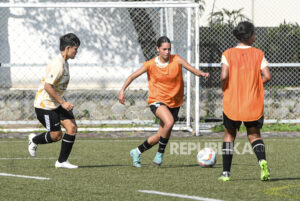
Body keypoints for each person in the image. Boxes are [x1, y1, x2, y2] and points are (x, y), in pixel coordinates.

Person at [118, 36, 210, 167]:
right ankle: (160, 153)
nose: (167, 52)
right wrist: (122, 90)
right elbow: (132, 76)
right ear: (158, 49)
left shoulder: (176, 59)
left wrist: (201, 73)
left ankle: (137, 151)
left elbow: (191, 69)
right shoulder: (150, 64)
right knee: (170, 122)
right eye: (164, 49)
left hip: (174, 101)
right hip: (157, 100)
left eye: (169, 49)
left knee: (161, 134)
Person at [219, 21, 271, 181]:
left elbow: (224, 76)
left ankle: (226, 174)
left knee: (229, 136)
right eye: (254, 33)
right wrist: (255, 84)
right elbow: (267, 76)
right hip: (252, 102)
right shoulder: (258, 54)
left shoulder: (227, 54)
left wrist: (224, 88)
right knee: (254, 135)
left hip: (232, 101)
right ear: (249, 36)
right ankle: (262, 162)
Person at [28, 33, 80, 169]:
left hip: (56, 103)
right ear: (68, 48)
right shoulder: (58, 65)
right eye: (76, 49)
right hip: (45, 105)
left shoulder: (65, 62)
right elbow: (47, 86)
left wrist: (61, 102)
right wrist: (63, 102)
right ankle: (34, 140)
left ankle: (62, 161)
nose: (77, 52)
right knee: (56, 135)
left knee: (72, 128)